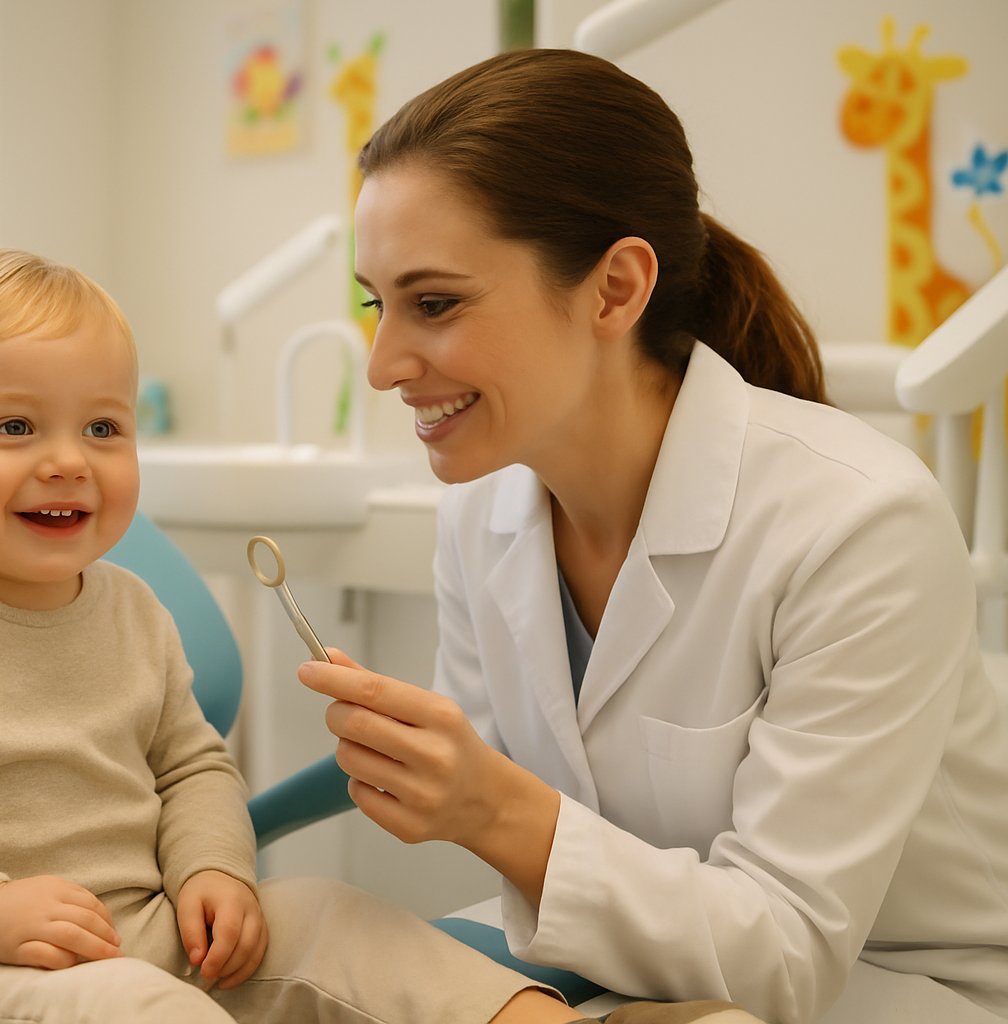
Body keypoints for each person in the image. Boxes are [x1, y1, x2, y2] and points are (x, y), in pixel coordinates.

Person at [0, 247, 766, 1024]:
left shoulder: (129, 610)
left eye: (105, 429)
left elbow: (193, 767)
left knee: (331, 915)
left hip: (145, 935)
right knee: (137, 1008)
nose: (69, 462)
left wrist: (212, 871)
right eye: (14, 429)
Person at [294, 47, 1008, 1024]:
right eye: (379, 303)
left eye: (435, 303)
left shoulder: (859, 522)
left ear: (616, 289)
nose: (382, 366)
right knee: (308, 928)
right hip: (633, 969)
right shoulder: (481, 513)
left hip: (901, 987)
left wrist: (493, 807)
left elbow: (787, 956)